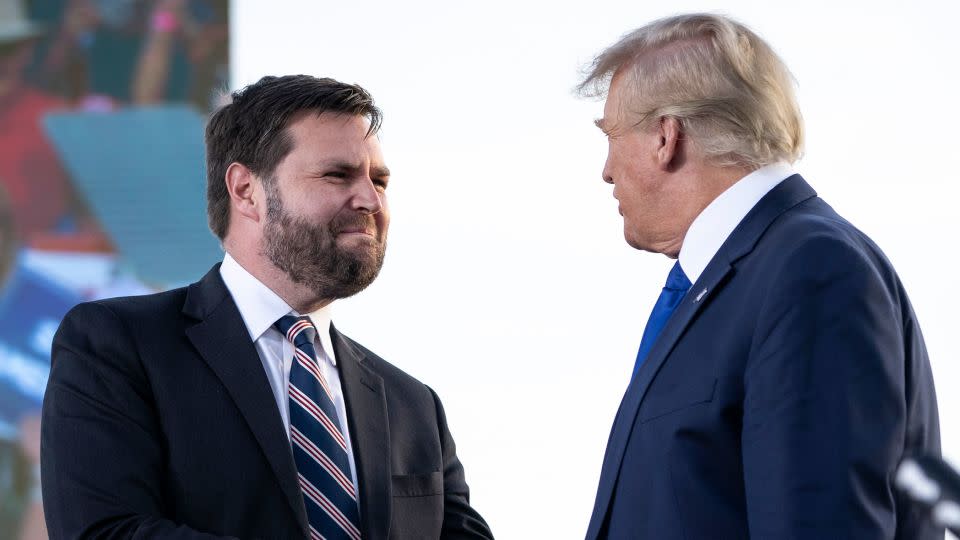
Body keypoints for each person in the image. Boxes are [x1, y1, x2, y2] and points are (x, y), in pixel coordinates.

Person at [41, 75, 494, 539]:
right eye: (337, 175)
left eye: (379, 180)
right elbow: (104, 532)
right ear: (245, 190)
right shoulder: (118, 345)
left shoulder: (413, 406)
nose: (370, 200)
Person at [579, 13, 939, 540]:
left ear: (665, 136)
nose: (606, 170)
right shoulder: (757, 271)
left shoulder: (810, 270)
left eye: (611, 135)